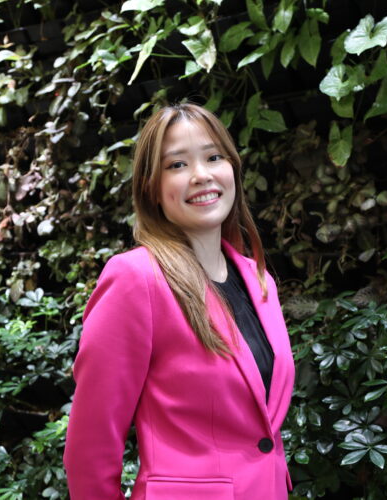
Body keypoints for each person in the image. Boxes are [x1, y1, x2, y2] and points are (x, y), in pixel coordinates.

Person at [63, 102, 295, 500]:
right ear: (151, 187)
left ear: (233, 168)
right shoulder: (136, 279)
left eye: (213, 157)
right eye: (177, 165)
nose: (201, 175)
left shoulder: (259, 281)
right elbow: (91, 447)